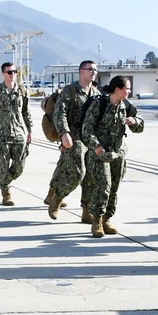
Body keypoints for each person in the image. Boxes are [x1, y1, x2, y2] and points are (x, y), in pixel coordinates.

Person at [81, 75, 144, 238]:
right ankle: (97, 220)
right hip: (101, 153)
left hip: (118, 154)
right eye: (127, 88)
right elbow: (86, 130)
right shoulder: (99, 104)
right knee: (103, 186)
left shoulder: (127, 106)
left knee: (114, 188)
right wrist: (97, 148)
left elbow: (140, 126)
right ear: (118, 89)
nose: (129, 91)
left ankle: (107, 219)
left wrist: (134, 121)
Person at [47, 60, 100, 221]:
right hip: (74, 137)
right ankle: (57, 197)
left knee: (91, 176)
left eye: (95, 70)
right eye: (90, 69)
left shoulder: (96, 93)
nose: (93, 72)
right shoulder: (70, 91)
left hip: (91, 139)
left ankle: (86, 211)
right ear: (81, 72)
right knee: (78, 173)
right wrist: (64, 133)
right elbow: (59, 113)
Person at [0, 62, 32, 206]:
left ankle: (4, 181)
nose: (13, 74)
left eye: (15, 72)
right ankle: (6, 192)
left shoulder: (22, 91)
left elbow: (26, 112)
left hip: (19, 134)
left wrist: (30, 131)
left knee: (19, 166)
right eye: (9, 72)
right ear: (3, 73)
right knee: (3, 165)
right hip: (1, 135)